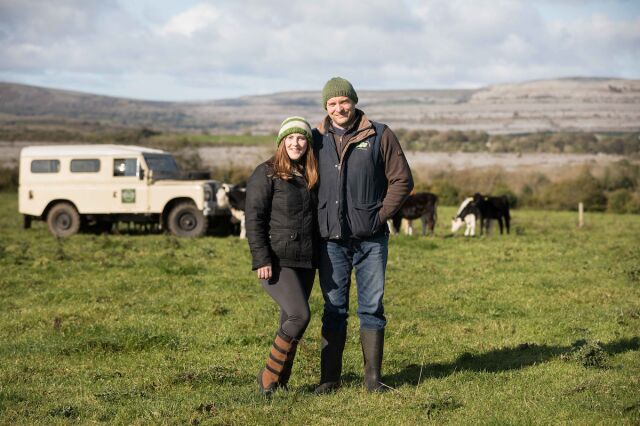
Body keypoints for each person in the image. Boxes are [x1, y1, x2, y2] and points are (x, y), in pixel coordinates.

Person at [313, 77, 414, 393]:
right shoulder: (315, 139)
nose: (339, 108)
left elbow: (402, 180)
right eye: (332, 103)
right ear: (326, 106)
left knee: (371, 307)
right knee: (334, 309)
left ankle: (373, 380)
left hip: (371, 240)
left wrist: (379, 216)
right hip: (331, 240)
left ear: (354, 102)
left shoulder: (380, 134)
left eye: (344, 101)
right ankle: (330, 380)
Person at [245, 116, 319, 395]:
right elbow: (254, 219)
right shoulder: (266, 173)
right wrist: (261, 258)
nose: (295, 143)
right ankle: (267, 376)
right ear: (281, 142)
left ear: (307, 143)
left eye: (301, 138)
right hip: (277, 259)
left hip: (306, 260)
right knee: (300, 315)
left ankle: (280, 382)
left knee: (290, 320)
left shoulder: (310, 174)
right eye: (290, 138)